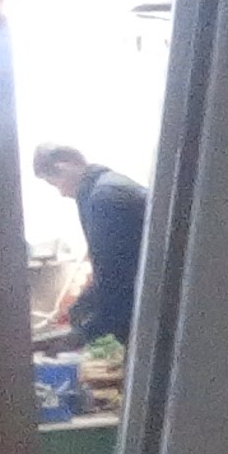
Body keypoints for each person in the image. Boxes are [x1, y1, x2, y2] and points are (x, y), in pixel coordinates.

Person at [32, 144, 150, 360]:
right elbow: (114, 271)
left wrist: (85, 333)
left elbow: (119, 284)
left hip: (151, 312)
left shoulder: (105, 199)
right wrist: (82, 305)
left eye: (55, 183)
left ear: (64, 165)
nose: (62, 193)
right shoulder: (109, 187)